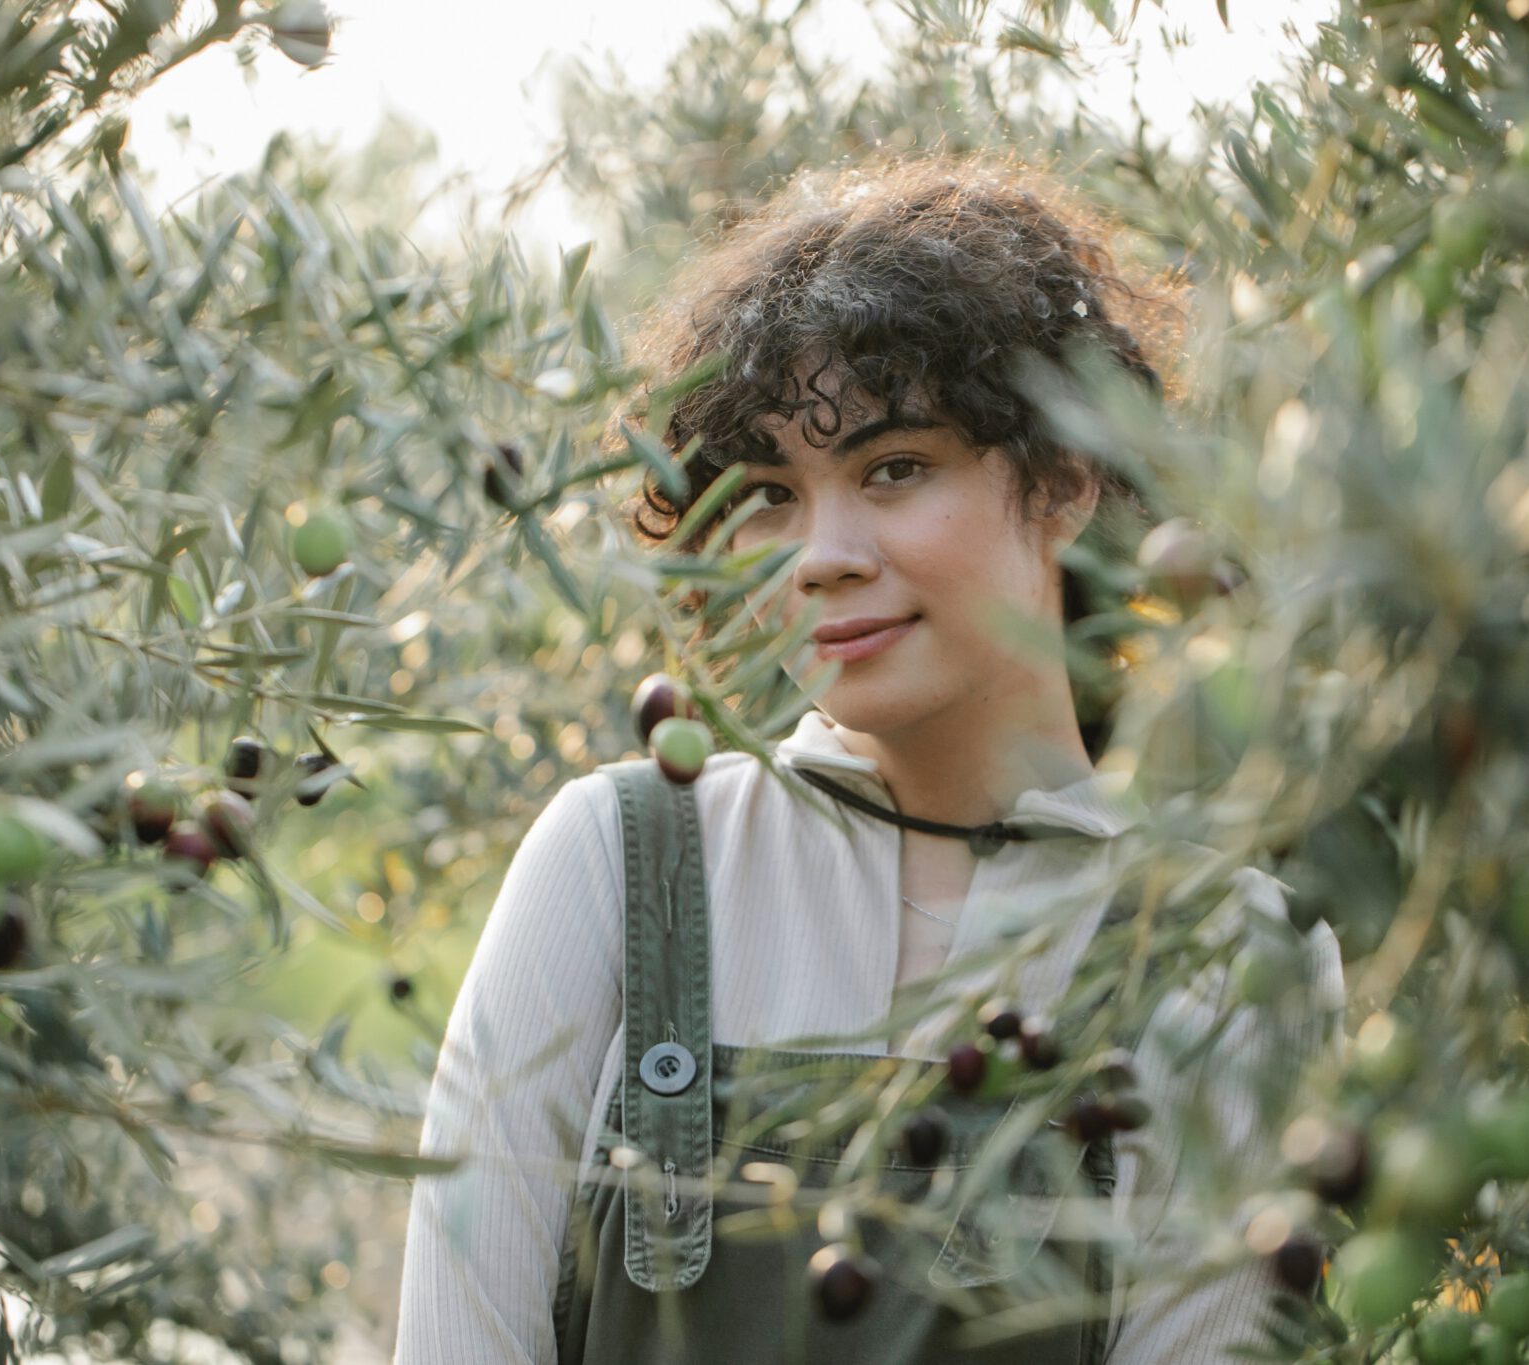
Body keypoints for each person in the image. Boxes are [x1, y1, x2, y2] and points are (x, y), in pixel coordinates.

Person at [394, 153, 1345, 1364]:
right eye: (769, 493)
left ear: (1060, 479)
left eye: (894, 469)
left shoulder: (1228, 959)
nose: (819, 555)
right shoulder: (617, 864)